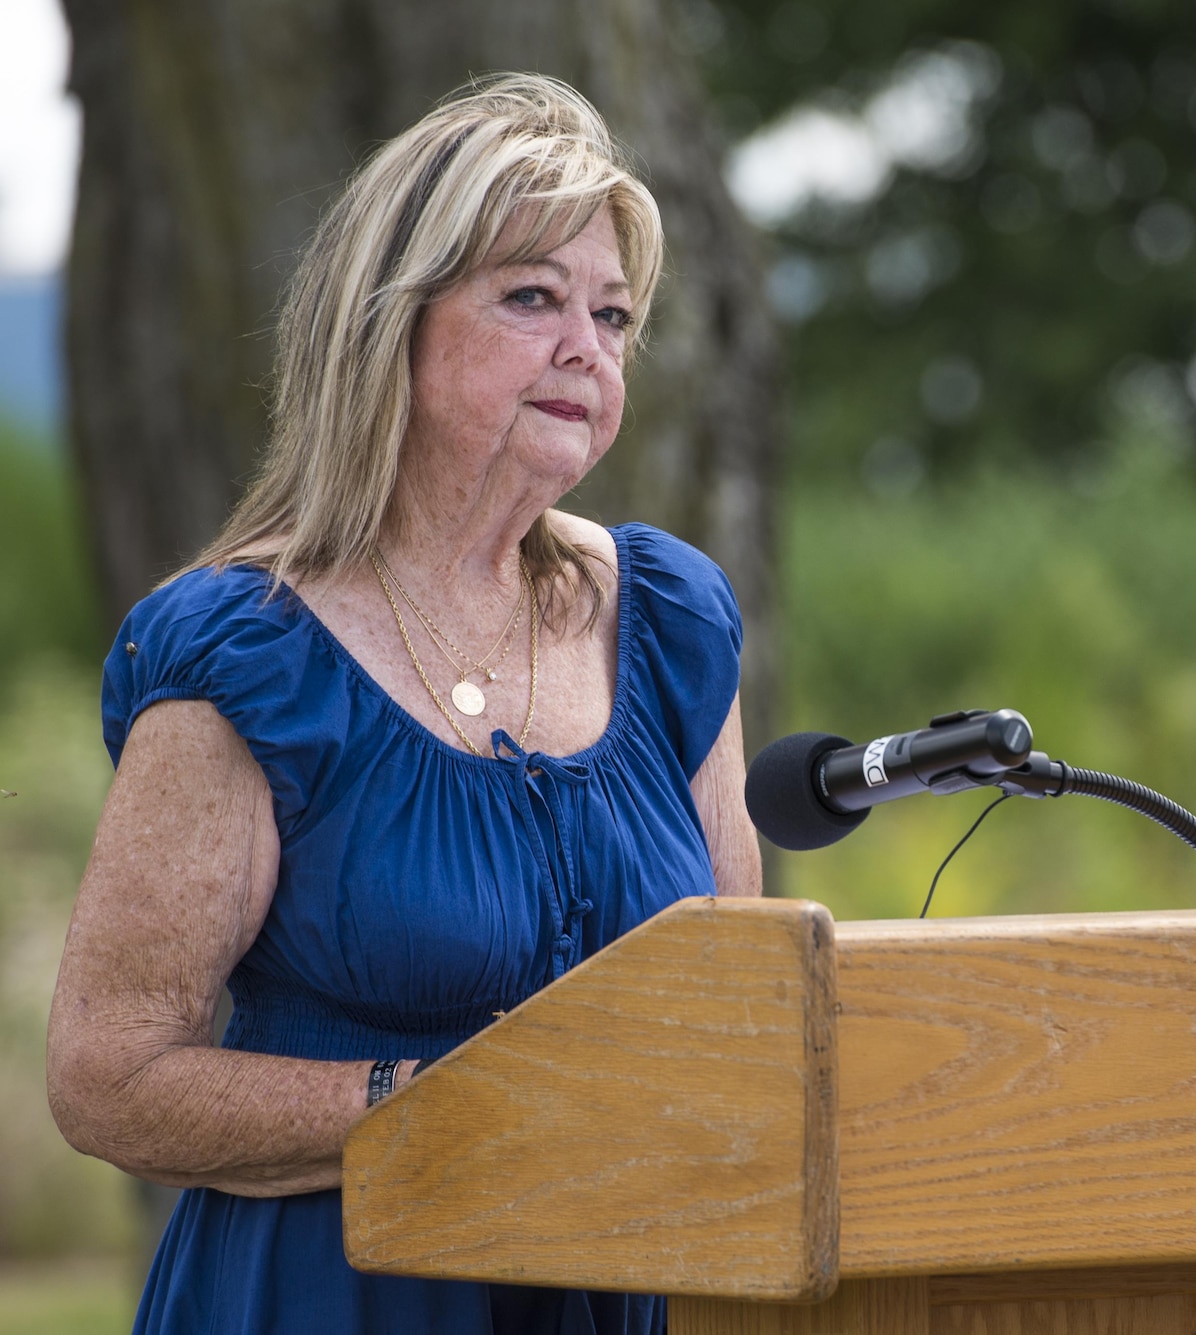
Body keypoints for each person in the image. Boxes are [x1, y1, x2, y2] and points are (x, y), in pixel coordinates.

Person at [45, 74, 760, 1334]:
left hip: (624, 1286)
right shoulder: (247, 655)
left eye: (612, 314)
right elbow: (109, 1079)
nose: (585, 348)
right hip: (340, 1293)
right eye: (532, 299)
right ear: (390, 327)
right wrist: (441, 1101)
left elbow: (742, 1009)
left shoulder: (672, 626)